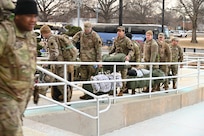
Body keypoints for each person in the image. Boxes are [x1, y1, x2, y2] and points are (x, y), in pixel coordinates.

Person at [0, 0, 38, 135]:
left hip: (22, 96)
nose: (32, 20)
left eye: (35, 16)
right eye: (28, 16)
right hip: (5, 96)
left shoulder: (31, 36)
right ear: (17, 16)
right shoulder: (5, 32)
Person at [40, 25, 73, 102]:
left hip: (59, 64)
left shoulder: (51, 40)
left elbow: (55, 53)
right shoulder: (55, 37)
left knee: (61, 82)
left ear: (44, 33)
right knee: (60, 81)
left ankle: (67, 98)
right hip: (61, 63)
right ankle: (65, 96)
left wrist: (48, 62)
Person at [72, 22, 102, 100]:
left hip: (92, 60)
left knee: (91, 77)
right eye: (85, 28)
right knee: (84, 77)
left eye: (87, 28)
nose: (86, 30)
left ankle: (92, 93)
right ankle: (86, 93)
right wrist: (74, 49)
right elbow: (72, 41)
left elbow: (99, 49)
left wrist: (99, 61)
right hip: (83, 59)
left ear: (91, 28)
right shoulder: (80, 34)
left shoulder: (95, 36)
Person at [109, 26, 133, 96]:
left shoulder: (127, 40)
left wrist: (128, 56)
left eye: (120, 31)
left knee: (123, 75)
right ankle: (114, 89)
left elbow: (131, 50)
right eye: (118, 31)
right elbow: (113, 49)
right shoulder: (116, 39)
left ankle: (122, 90)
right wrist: (108, 55)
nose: (118, 33)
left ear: (123, 32)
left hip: (123, 59)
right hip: (116, 59)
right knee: (114, 75)